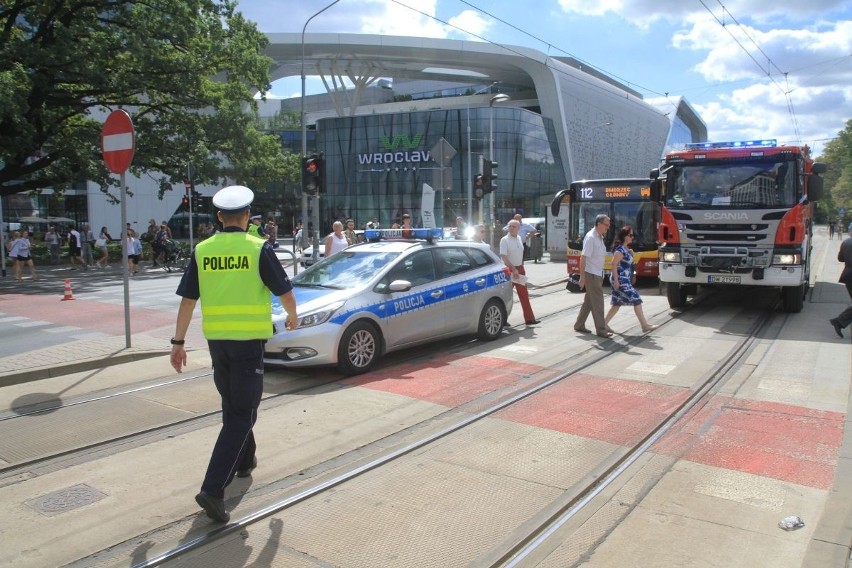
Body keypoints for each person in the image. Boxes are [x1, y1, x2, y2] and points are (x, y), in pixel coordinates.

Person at [170, 185, 298, 524]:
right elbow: (283, 290)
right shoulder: (259, 248)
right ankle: (213, 489)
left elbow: (187, 301)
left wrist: (178, 342)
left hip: (217, 345)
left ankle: (244, 460)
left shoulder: (203, 250)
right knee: (242, 414)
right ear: (247, 217)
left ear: (218, 217)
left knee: (234, 405)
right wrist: (293, 315)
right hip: (247, 345)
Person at [604, 226, 657, 333]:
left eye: (633, 235)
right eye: (631, 235)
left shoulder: (625, 249)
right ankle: (644, 325)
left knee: (616, 303)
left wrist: (630, 254)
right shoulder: (619, 250)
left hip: (624, 279)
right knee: (636, 299)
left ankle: (603, 324)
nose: (633, 237)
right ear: (624, 236)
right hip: (620, 279)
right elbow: (613, 264)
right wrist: (617, 281)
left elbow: (629, 264)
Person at [574, 214, 612, 338]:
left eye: (609, 225)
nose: (608, 227)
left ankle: (579, 325)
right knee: (598, 303)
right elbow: (583, 258)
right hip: (591, 273)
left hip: (597, 273)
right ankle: (601, 330)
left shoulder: (599, 236)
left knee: (589, 302)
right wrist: (582, 277)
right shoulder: (591, 237)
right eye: (606, 225)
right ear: (599, 224)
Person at [500, 219, 539, 325]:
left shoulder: (519, 238)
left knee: (524, 294)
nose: (511, 228)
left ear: (519, 229)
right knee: (506, 296)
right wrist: (513, 269)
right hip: (509, 271)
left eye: (513, 226)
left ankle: (530, 319)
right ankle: (502, 320)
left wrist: (519, 268)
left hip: (519, 269)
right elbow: (504, 256)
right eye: (510, 226)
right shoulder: (504, 240)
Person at [830, 226, 852, 338]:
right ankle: (839, 321)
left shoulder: (846, 242)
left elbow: (840, 258)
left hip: (848, 275)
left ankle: (839, 321)